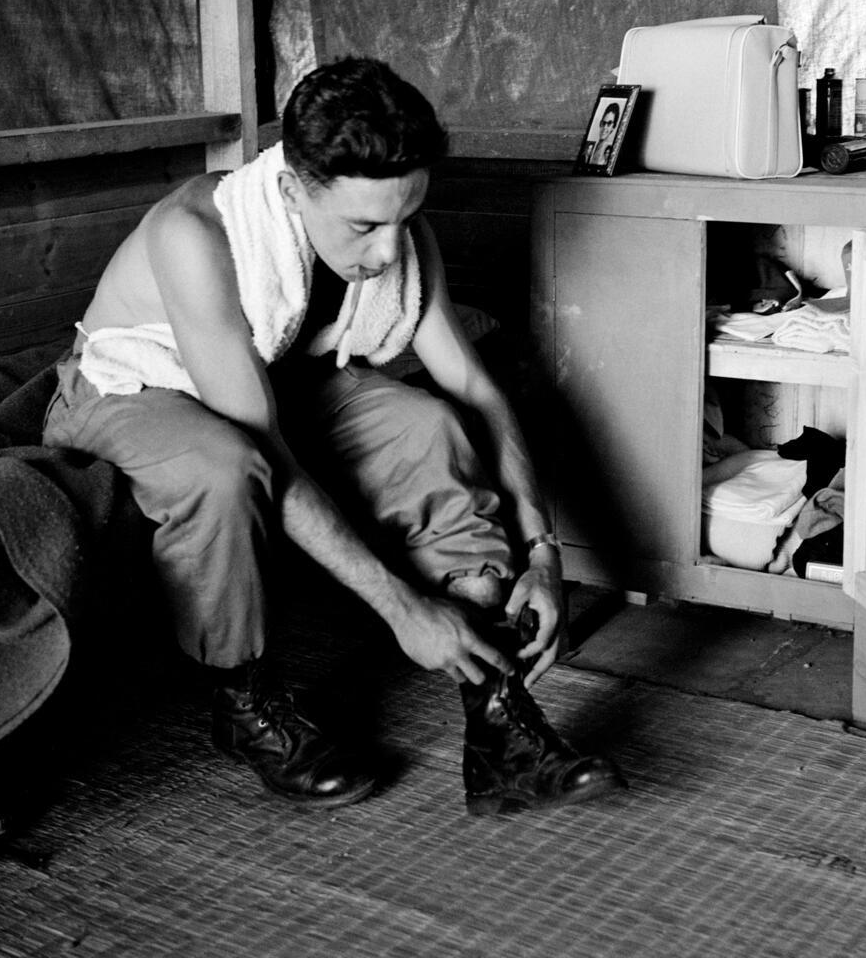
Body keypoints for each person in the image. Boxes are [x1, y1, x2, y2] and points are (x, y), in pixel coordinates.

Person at [42, 56, 625, 816]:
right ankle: (242, 703)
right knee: (225, 468)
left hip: (275, 378)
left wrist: (543, 552)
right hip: (133, 385)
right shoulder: (195, 234)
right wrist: (402, 609)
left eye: (405, 217)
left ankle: (499, 729)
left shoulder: (397, 230)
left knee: (425, 424)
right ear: (293, 190)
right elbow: (265, 450)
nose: (388, 252)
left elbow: (475, 389)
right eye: (364, 227)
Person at [586, 101, 620, 167]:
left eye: (609, 123)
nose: (605, 127)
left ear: (613, 127)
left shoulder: (608, 152)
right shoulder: (592, 146)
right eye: (603, 123)